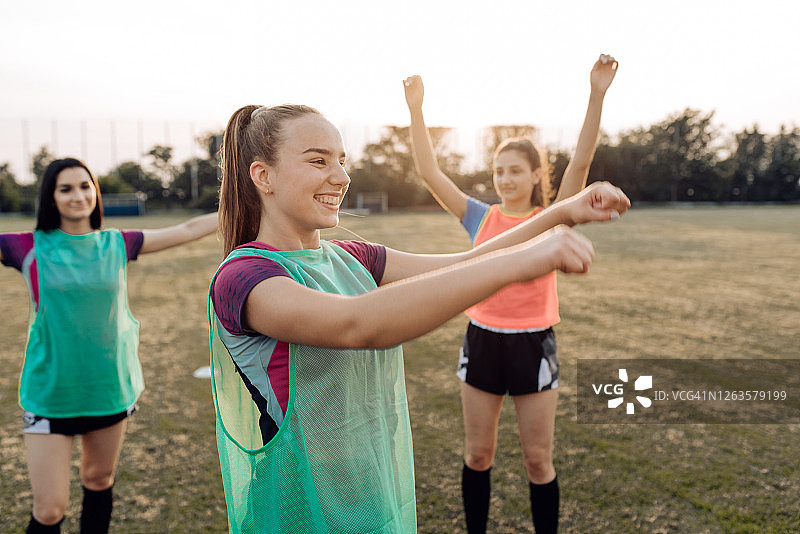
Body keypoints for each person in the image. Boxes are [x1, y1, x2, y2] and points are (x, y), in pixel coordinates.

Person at [208, 103, 628, 533]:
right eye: (318, 160)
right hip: (299, 507)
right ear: (263, 176)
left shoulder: (350, 257)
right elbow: (359, 324)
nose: (341, 176)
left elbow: (468, 261)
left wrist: (561, 214)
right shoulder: (244, 276)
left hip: (369, 494)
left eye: (341, 160)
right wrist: (522, 264)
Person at [402, 54, 618, 533]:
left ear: (536, 175)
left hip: (533, 344)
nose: (505, 179)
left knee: (538, 461)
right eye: (499, 171)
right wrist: (417, 108)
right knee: (478, 455)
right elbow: (430, 172)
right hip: (482, 341)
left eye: (515, 171)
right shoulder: (480, 218)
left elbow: (581, 160)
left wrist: (596, 93)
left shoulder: (554, 217)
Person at [0, 157, 219, 534]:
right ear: (50, 197)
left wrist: (246, 203)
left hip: (108, 389)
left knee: (99, 481)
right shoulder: (26, 247)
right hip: (50, 393)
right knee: (49, 510)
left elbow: (186, 228)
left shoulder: (118, 243)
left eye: (85, 186)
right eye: (65, 188)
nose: (77, 195)